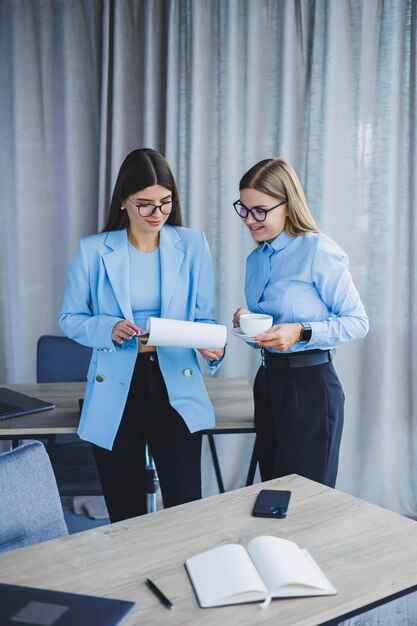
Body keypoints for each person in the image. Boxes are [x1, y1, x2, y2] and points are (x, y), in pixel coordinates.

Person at [59, 148, 224, 522]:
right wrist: (108, 327)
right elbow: (69, 318)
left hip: (176, 387)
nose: (157, 214)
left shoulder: (193, 245)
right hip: (118, 387)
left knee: (185, 510)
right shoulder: (92, 251)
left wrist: (212, 347)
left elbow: (205, 318)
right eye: (145, 204)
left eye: (165, 203)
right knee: (126, 516)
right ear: (123, 202)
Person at [232, 158, 368, 488]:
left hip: (310, 386)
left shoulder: (317, 250)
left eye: (260, 210)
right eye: (244, 209)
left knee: (305, 502)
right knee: (273, 495)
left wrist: (301, 331)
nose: (250, 220)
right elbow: (272, 331)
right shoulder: (256, 260)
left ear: (288, 206)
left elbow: (357, 322)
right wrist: (249, 324)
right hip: (268, 382)